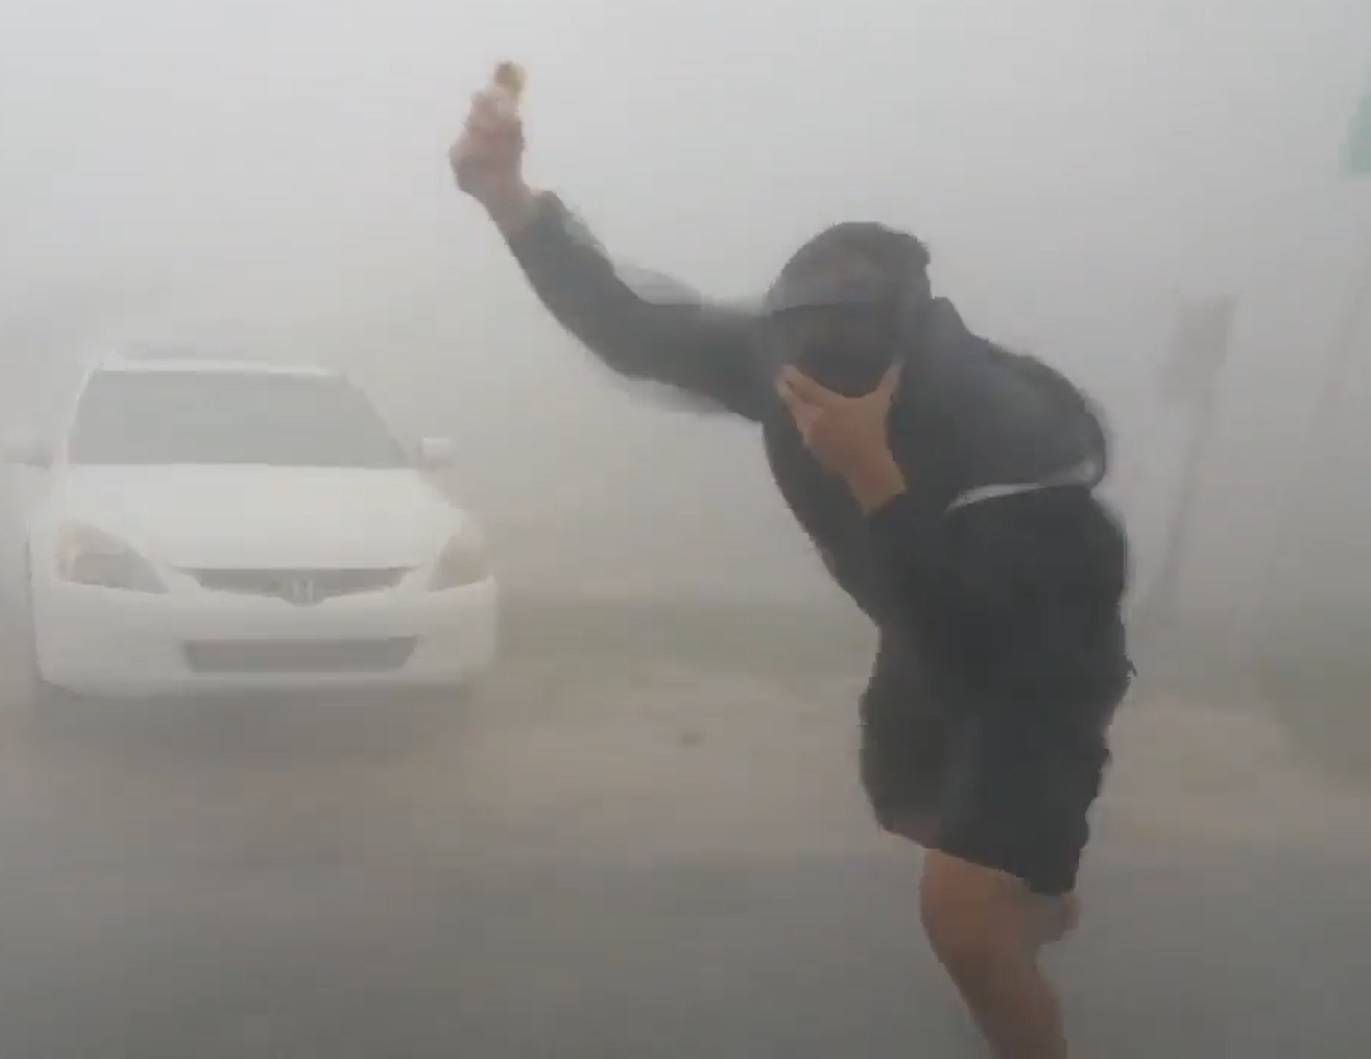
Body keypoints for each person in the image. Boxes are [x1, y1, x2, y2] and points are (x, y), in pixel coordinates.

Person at [450, 75, 1132, 1059]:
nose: (816, 397)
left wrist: (877, 476)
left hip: (1035, 651)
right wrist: (510, 201)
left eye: (850, 369)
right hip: (920, 614)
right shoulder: (781, 360)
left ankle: (1016, 911)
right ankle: (1036, 883)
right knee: (907, 803)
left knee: (963, 920)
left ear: (913, 356)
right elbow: (631, 327)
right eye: (800, 363)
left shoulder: (1008, 435)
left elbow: (975, 639)